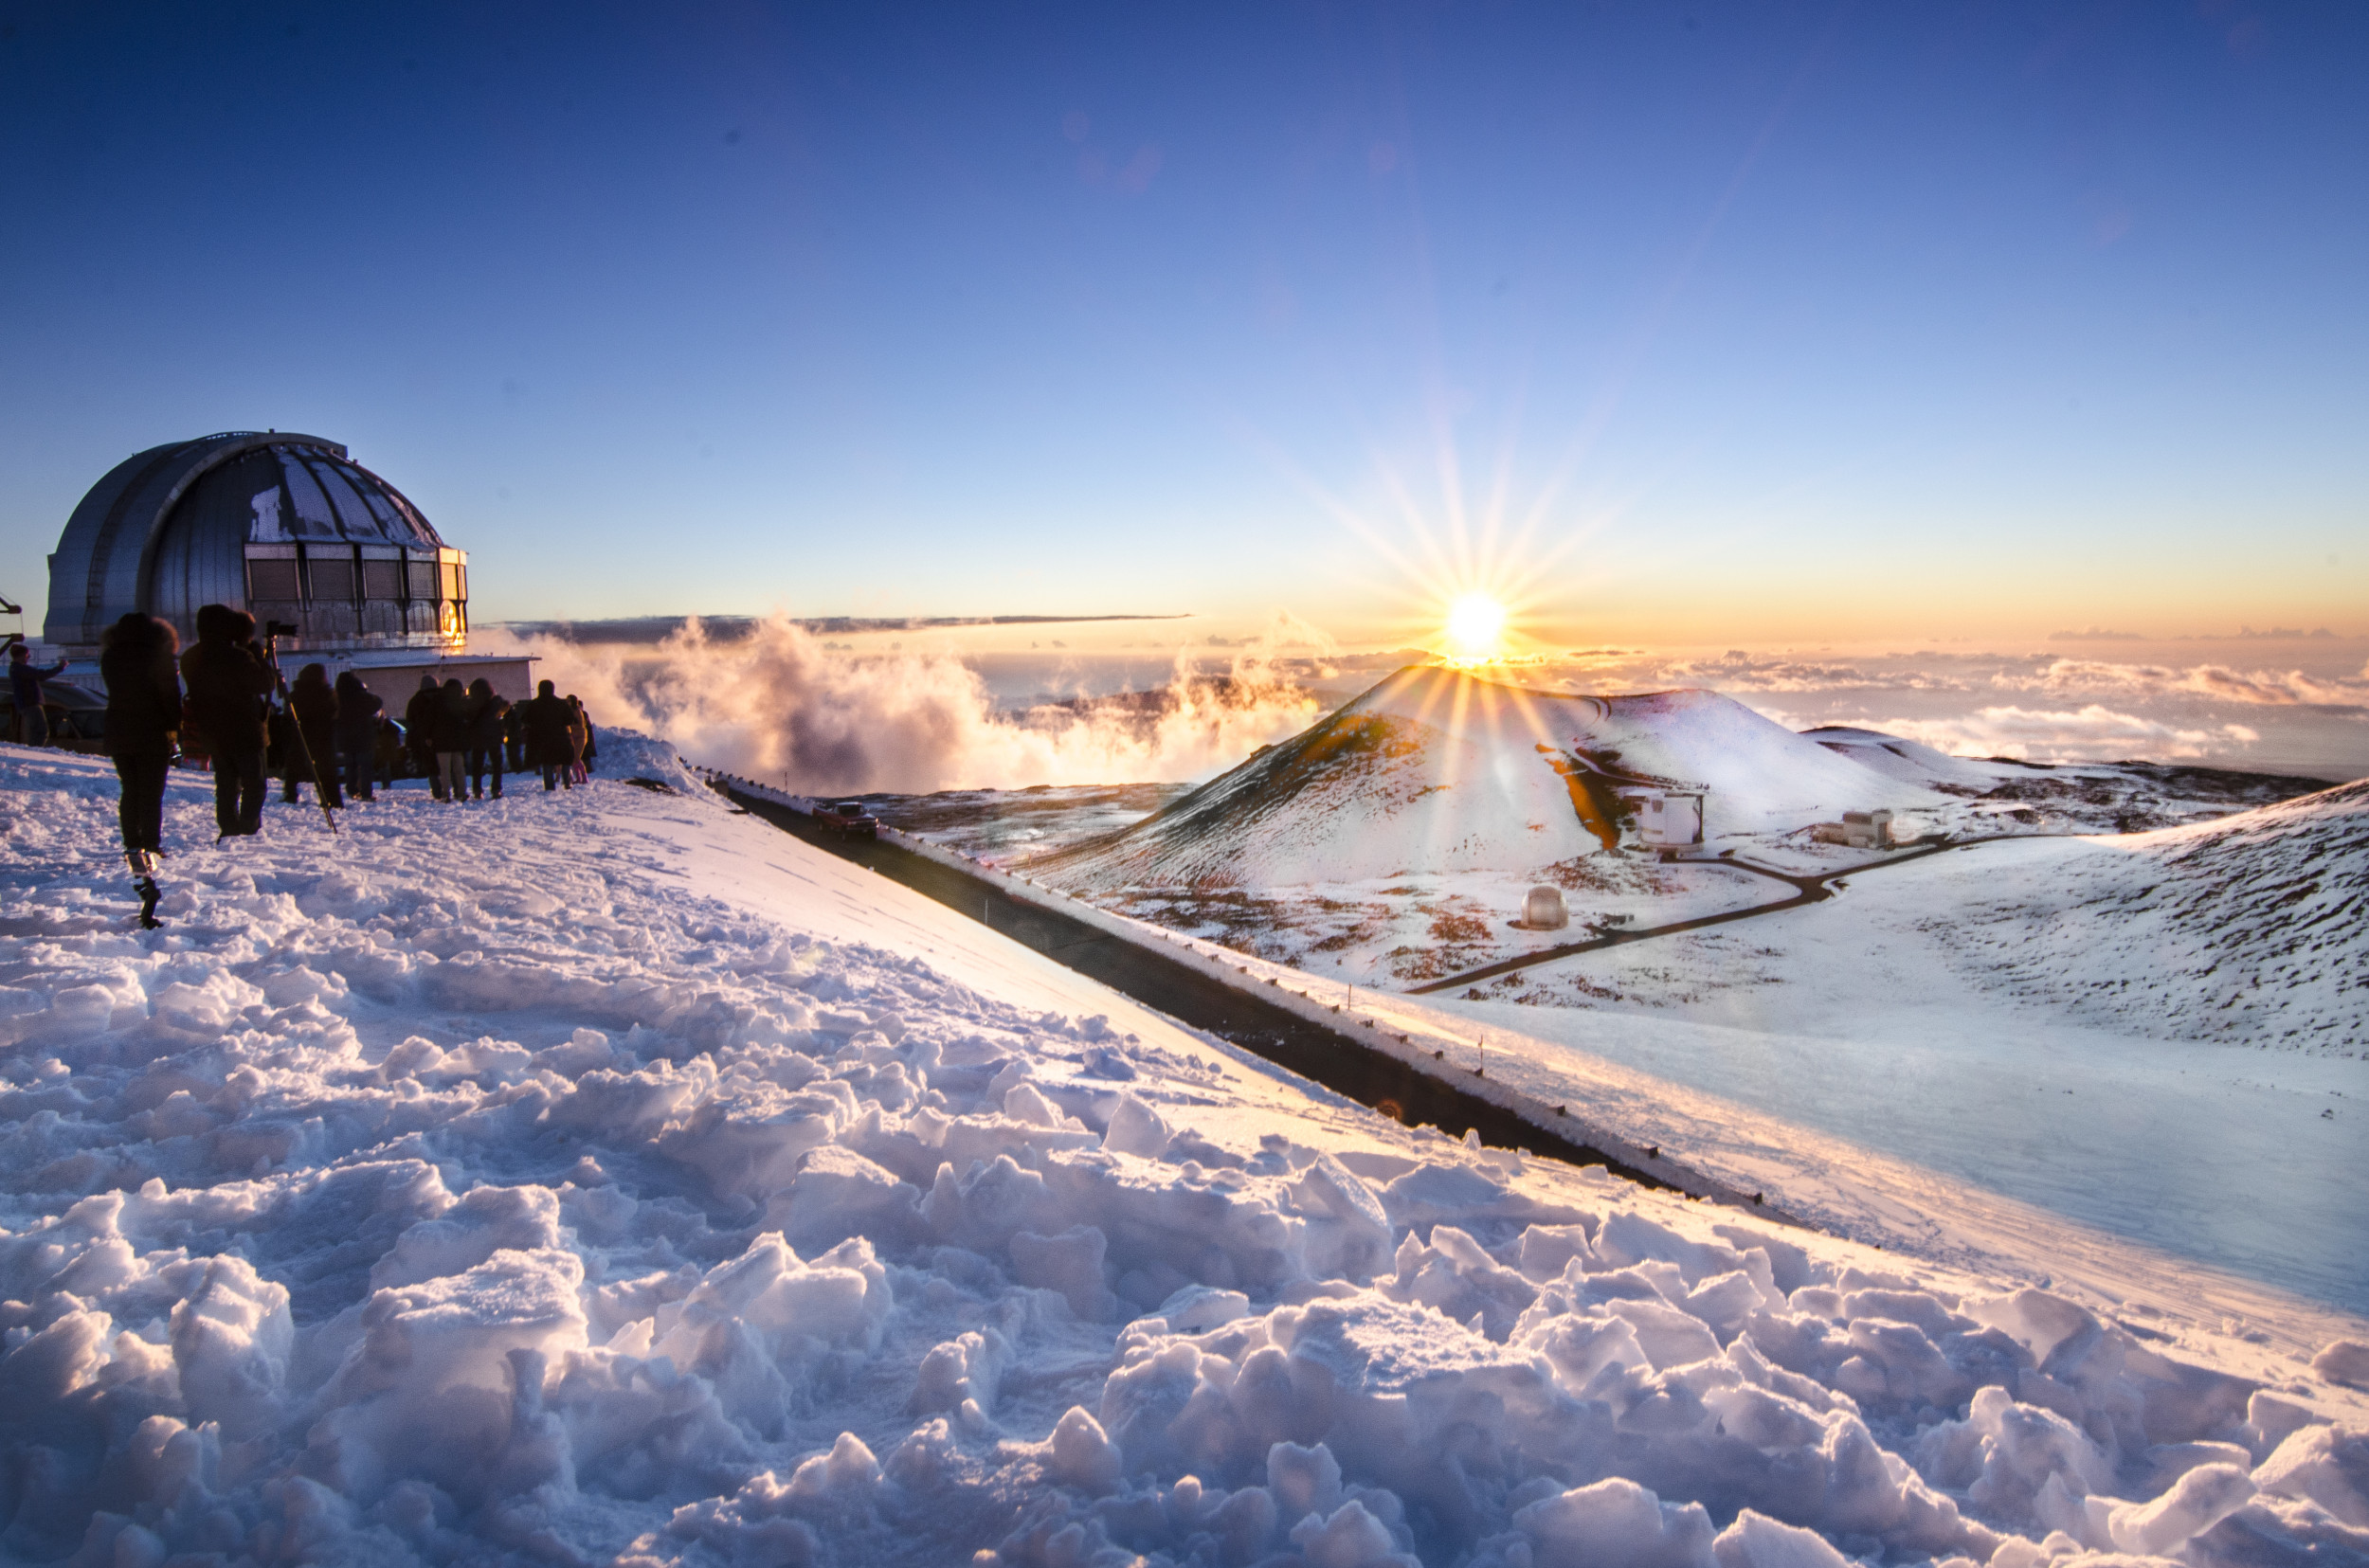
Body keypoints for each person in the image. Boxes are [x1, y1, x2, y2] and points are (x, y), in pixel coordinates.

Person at [99, 613, 180, 926]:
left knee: (130, 788)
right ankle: (152, 843)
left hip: (118, 730)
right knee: (152, 791)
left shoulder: (110, 656)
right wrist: (174, 728)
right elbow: (169, 695)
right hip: (151, 731)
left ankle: (131, 841)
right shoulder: (158, 656)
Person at [181, 605, 275, 838]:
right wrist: (259, 656)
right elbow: (265, 684)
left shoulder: (191, 657)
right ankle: (248, 829)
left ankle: (229, 830)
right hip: (245, 730)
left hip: (212, 732)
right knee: (255, 784)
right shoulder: (238, 656)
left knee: (226, 785)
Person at [282, 663, 340, 808]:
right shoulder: (328, 694)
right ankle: (333, 800)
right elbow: (335, 713)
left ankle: (290, 794)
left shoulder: (297, 694)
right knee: (327, 771)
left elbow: (288, 716)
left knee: (293, 767)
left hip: (302, 735)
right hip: (323, 738)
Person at [333, 672, 384, 802]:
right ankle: (366, 793)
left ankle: (351, 790)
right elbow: (378, 702)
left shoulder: (338, 698)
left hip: (346, 738)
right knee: (366, 766)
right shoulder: (362, 697)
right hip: (364, 737)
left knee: (350, 766)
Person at [9, 642, 68, 746]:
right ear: (22, 655)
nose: (29, 657)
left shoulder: (15, 669)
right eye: (27, 654)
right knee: (41, 731)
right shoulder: (21, 669)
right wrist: (60, 668)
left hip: (26, 704)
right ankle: (36, 751)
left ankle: (35, 749)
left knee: (35, 730)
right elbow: (42, 675)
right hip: (31, 703)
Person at [521, 679, 575, 791]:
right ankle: (568, 782)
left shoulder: (534, 704)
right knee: (565, 759)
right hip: (560, 737)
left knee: (547, 762)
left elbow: (525, 719)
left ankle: (549, 786)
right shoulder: (561, 703)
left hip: (541, 738)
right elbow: (570, 720)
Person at [465, 678, 509, 801]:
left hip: (477, 738)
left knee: (477, 765)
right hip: (494, 738)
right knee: (497, 765)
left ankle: (477, 790)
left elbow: (467, 720)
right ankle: (496, 789)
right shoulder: (497, 702)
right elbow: (506, 710)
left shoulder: (473, 705)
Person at [404, 675, 446, 799]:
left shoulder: (415, 701)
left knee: (431, 765)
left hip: (423, 738)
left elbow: (410, 722)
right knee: (445, 764)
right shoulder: (442, 698)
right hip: (441, 735)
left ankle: (437, 791)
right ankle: (448, 788)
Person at [435, 677, 471, 802]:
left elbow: (430, 720)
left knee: (444, 770)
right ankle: (462, 792)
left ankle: (445, 794)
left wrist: (429, 736)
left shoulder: (438, 702)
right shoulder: (460, 703)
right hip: (457, 740)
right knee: (459, 768)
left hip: (442, 741)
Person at [564, 695, 590, 786]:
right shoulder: (568, 711)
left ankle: (584, 776)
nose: (567, 703)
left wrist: (569, 724)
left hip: (581, 736)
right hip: (573, 736)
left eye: (569, 701)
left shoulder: (578, 711)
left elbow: (581, 724)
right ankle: (578, 777)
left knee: (577, 757)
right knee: (573, 758)